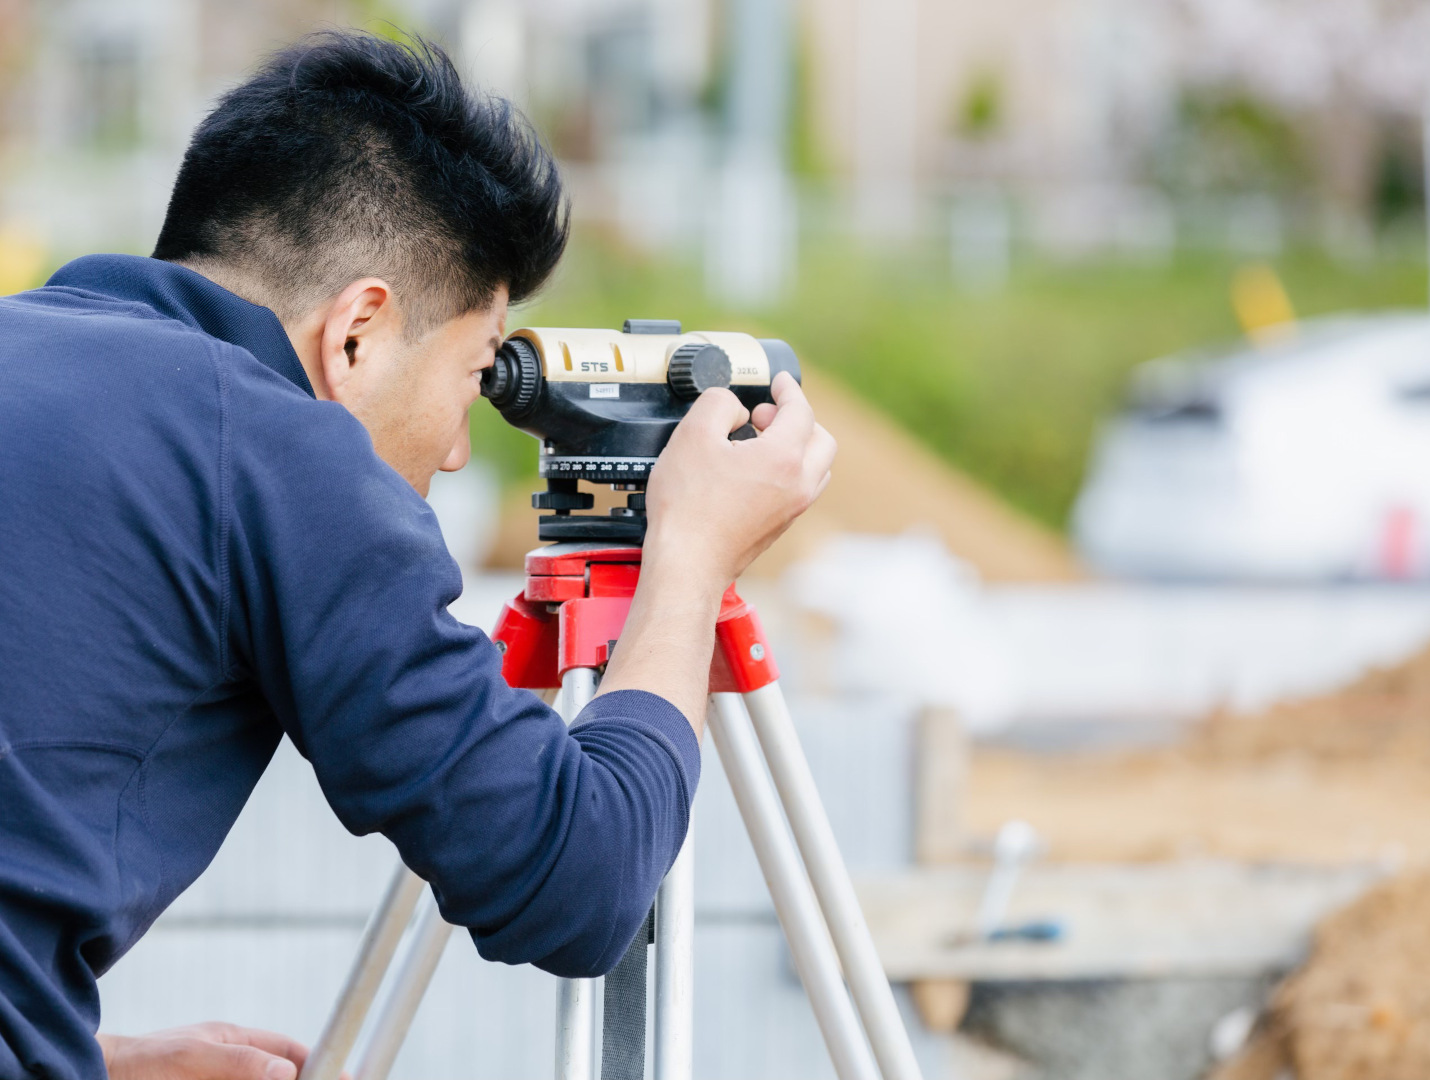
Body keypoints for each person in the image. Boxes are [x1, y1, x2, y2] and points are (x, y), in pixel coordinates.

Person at [0, 30, 835, 1080]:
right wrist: (693, 558)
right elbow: (582, 882)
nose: (453, 452)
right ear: (357, 331)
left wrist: (78, 1054)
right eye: (475, 373)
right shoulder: (276, 451)